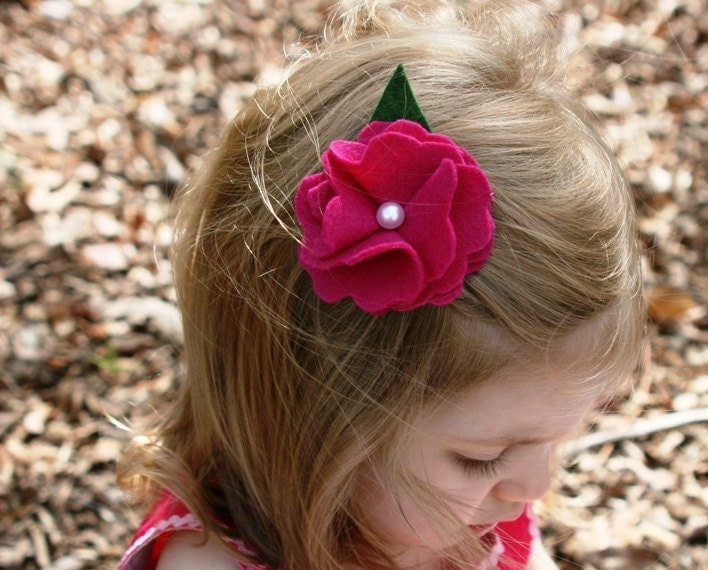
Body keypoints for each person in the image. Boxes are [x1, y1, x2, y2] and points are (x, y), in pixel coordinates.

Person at [117, 0, 646, 568]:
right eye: (481, 459)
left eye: (561, 437)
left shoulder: (478, 489)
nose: (535, 485)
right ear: (309, 417)